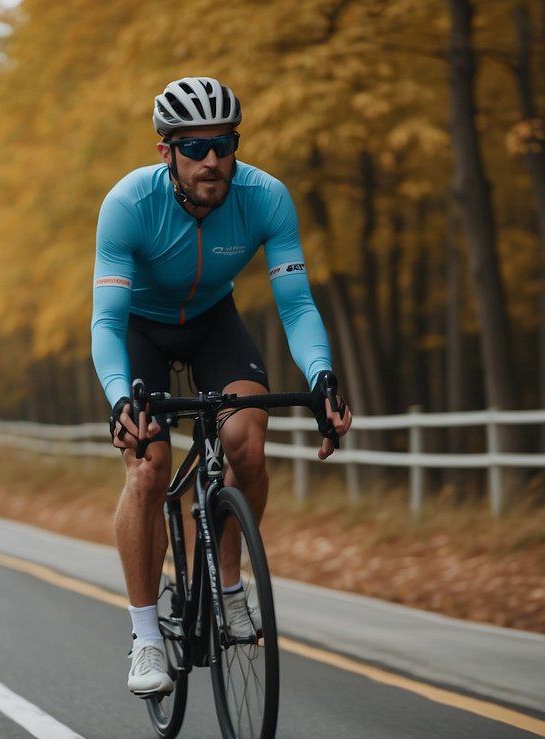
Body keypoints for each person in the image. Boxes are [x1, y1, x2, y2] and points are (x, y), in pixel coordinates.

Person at [90, 76, 352, 696]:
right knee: (148, 467)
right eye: (195, 146)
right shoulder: (128, 204)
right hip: (141, 332)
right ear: (166, 153)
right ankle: (146, 635)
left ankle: (230, 587)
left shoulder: (266, 198)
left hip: (213, 323)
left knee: (248, 442)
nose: (212, 159)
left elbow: (295, 306)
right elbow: (106, 321)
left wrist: (323, 378)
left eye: (224, 143)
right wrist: (121, 402)